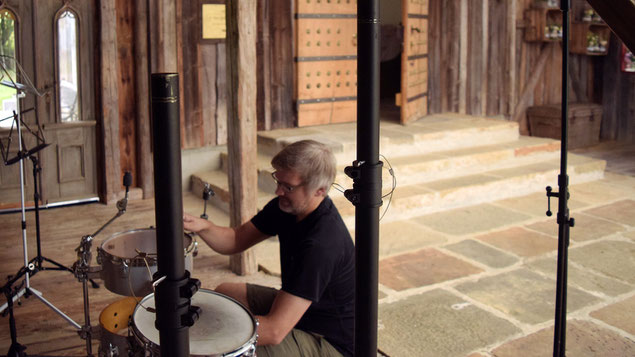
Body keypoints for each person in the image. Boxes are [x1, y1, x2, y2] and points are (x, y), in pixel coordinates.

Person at [183, 139, 355, 357]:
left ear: (319, 191)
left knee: (232, 350)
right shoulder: (287, 207)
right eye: (278, 180)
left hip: (331, 342)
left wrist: (204, 334)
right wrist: (202, 226)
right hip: (306, 313)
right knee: (226, 294)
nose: (278, 191)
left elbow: (274, 331)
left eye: (288, 187)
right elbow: (236, 239)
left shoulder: (322, 244)